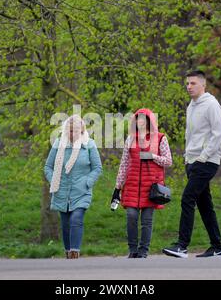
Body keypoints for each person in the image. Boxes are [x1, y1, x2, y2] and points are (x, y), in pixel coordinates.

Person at [162, 70, 221, 258]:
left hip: (206, 161)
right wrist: (187, 157)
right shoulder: (192, 105)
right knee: (205, 205)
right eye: (187, 83)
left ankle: (182, 246)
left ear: (203, 85)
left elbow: (219, 134)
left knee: (187, 198)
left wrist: (203, 157)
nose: (189, 87)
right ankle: (217, 247)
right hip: (192, 161)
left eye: (193, 83)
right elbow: (190, 134)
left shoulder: (212, 105)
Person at [112, 109, 172, 258]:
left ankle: (143, 251)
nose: (140, 122)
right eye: (137, 119)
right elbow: (124, 164)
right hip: (131, 185)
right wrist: (117, 187)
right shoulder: (130, 139)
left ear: (150, 121)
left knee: (146, 221)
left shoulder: (160, 139)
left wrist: (152, 156)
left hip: (151, 188)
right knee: (131, 216)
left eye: (143, 119)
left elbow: (168, 161)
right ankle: (132, 250)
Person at [44, 115, 102, 259]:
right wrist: (54, 181)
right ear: (66, 131)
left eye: (77, 131)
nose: (73, 134)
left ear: (82, 131)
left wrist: (87, 182)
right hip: (61, 191)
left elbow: (97, 168)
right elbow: (48, 167)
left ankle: (75, 252)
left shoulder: (89, 145)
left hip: (81, 191)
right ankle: (68, 252)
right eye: (70, 131)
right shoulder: (58, 144)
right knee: (65, 223)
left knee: (76, 218)